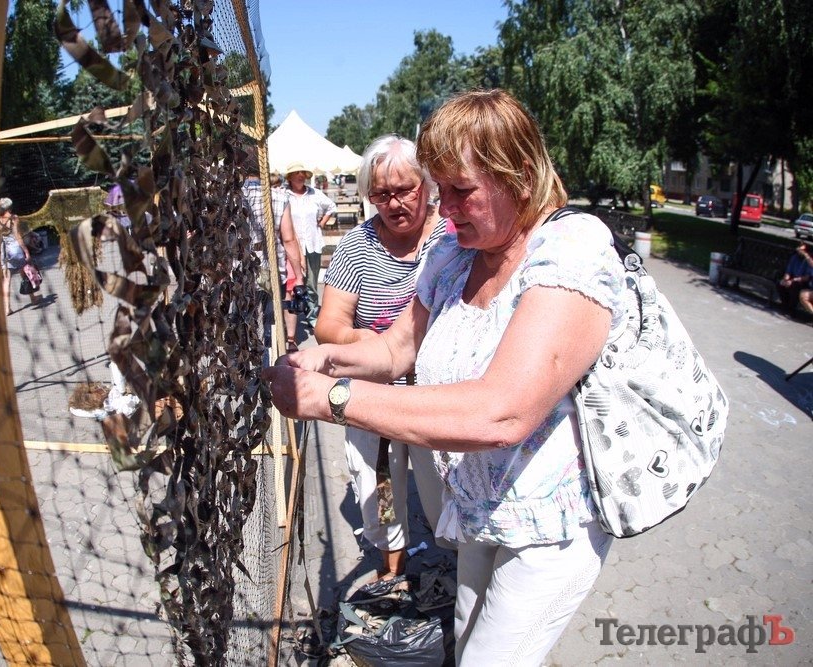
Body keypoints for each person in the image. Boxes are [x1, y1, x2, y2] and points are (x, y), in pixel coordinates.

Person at [264, 89, 627, 664]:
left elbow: (502, 412)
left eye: (461, 190)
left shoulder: (570, 252)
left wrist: (330, 398)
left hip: (549, 525)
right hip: (481, 504)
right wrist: (324, 359)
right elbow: (396, 350)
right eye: (440, 188)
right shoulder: (453, 255)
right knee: (464, 633)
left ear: (520, 175)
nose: (445, 207)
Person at [314, 134, 447, 580]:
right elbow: (327, 323)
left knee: (443, 485)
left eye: (404, 190)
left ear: (426, 185)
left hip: (438, 395)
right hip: (376, 395)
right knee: (382, 480)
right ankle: (393, 567)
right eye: (380, 194)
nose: (392, 203)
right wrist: (364, 339)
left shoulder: (451, 234)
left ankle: (457, 558)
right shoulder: (358, 245)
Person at [240, 147, 307, 352]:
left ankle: (247, 357)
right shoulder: (278, 197)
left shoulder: (234, 196)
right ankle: (268, 359)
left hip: (240, 268)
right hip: (271, 268)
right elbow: (288, 239)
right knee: (271, 319)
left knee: (243, 318)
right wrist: (298, 274)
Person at [283, 162, 336, 310]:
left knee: (311, 283)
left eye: (303, 174)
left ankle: (312, 315)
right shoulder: (284, 194)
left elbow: (331, 206)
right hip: (292, 245)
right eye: (297, 173)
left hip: (312, 244)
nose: (300, 176)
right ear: (290, 177)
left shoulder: (314, 193)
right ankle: (294, 312)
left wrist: (322, 223)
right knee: (293, 281)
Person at [0, 198, 39, 316]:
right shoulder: (14, 218)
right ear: (9, 207)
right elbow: (18, 236)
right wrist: (26, 251)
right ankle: (33, 298)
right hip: (15, 249)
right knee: (25, 273)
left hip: (4, 251)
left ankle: (7, 308)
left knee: (6, 280)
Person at [776, 242, 813, 314]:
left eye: (801, 250)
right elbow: (788, 271)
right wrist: (786, 279)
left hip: (802, 281)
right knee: (780, 284)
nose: (799, 251)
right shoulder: (795, 257)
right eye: (799, 250)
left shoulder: (808, 260)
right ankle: (785, 306)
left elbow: (807, 277)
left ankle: (792, 309)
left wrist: (793, 281)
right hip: (793, 278)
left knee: (795, 287)